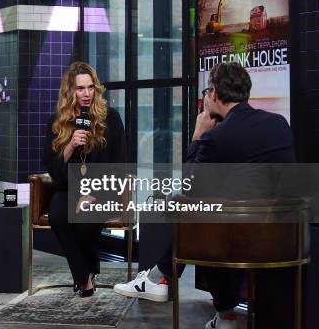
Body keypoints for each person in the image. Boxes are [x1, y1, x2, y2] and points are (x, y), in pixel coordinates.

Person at [113, 62, 295, 329]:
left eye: (206, 93)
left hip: (238, 244)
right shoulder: (279, 124)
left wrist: (199, 134)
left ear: (215, 95)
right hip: (284, 240)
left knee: (195, 216)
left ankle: (171, 285)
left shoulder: (218, 136)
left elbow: (187, 188)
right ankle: (164, 281)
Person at [43, 62, 126, 297]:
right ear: (70, 92)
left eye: (90, 88)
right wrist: (69, 146)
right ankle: (85, 276)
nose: (87, 94)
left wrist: (95, 193)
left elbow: (119, 165)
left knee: (83, 220)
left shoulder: (111, 119)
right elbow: (51, 167)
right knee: (59, 216)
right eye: (80, 89)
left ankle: (86, 273)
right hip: (68, 188)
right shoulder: (57, 122)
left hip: (102, 189)